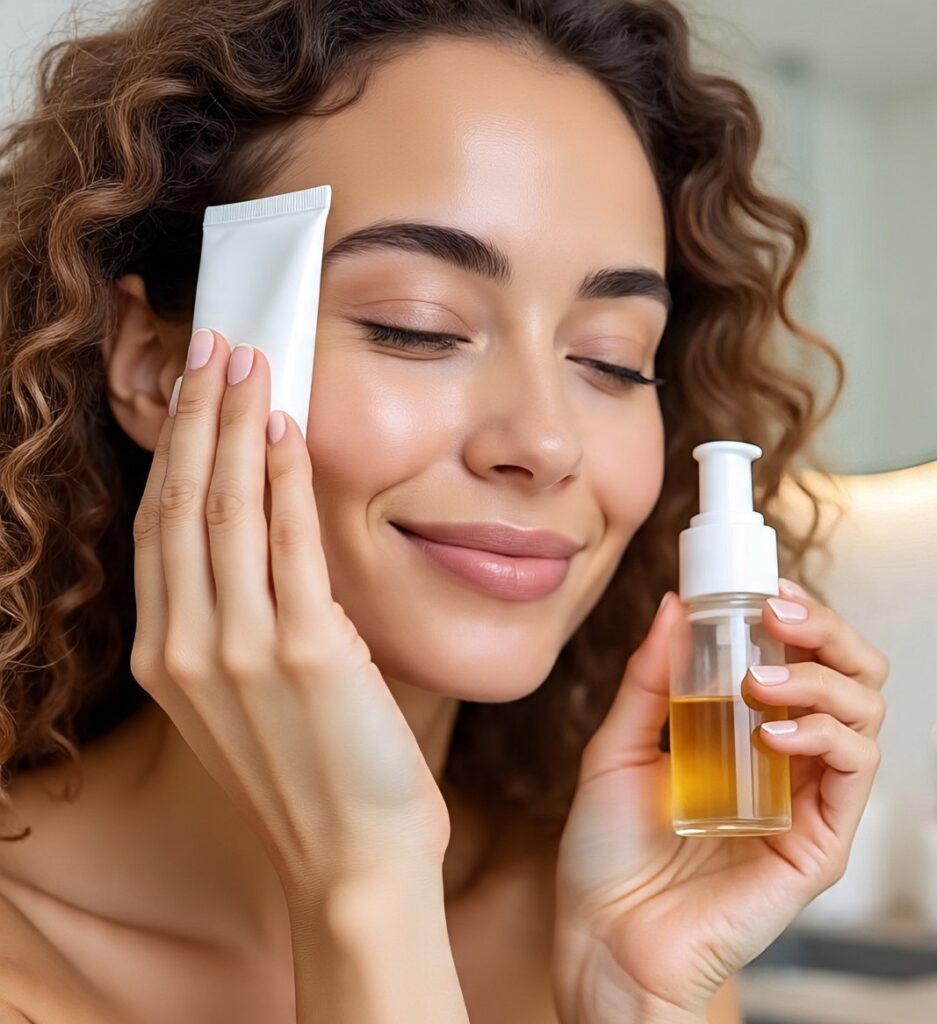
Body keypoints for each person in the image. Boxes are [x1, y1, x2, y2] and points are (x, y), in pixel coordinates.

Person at [0, 1, 890, 1022]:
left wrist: (637, 1005)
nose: (547, 441)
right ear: (159, 369)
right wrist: (364, 889)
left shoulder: (605, 912)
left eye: (611, 359)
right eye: (414, 327)